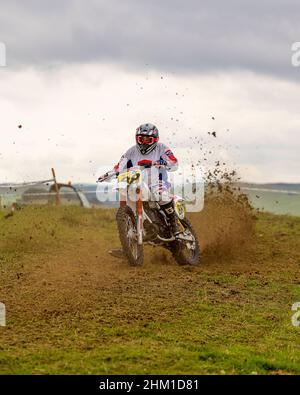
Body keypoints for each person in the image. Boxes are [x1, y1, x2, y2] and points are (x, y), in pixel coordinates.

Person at [99, 123, 180, 236]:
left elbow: (174, 163)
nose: (144, 142)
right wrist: (110, 173)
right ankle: (129, 240)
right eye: (141, 139)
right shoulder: (131, 151)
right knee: (129, 201)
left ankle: (174, 224)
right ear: (137, 138)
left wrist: (162, 162)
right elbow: (120, 166)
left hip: (158, 182)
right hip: (137, 183)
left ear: (155, 139)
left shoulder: (162, 148)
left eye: (148, 140)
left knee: (159, 194)